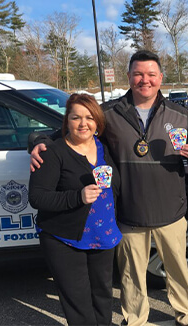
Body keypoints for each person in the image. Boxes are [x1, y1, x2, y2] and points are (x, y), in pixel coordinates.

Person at [30, 50, 188, 326]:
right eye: (138, 74)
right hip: (129, 210)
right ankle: (135, 319)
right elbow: (71, 129)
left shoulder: (179, 113)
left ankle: (187, 315)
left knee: (178, 268)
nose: (144, 80)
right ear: (128, 77)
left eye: (150, 75)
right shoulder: (110, 113)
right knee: (131, 274)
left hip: (171, 207)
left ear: (161, 78)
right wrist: (39, 141)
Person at [29, 93, 122, 326]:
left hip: (104, 236)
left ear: (98, 122)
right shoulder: (53, 152)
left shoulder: (105, 146)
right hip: (66, 238)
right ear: (66, 121)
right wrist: (77, 197)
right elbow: (37, 197)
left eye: (90, 117)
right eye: (76, 117)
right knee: (78, 302)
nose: (83, 124)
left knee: (102, 296)